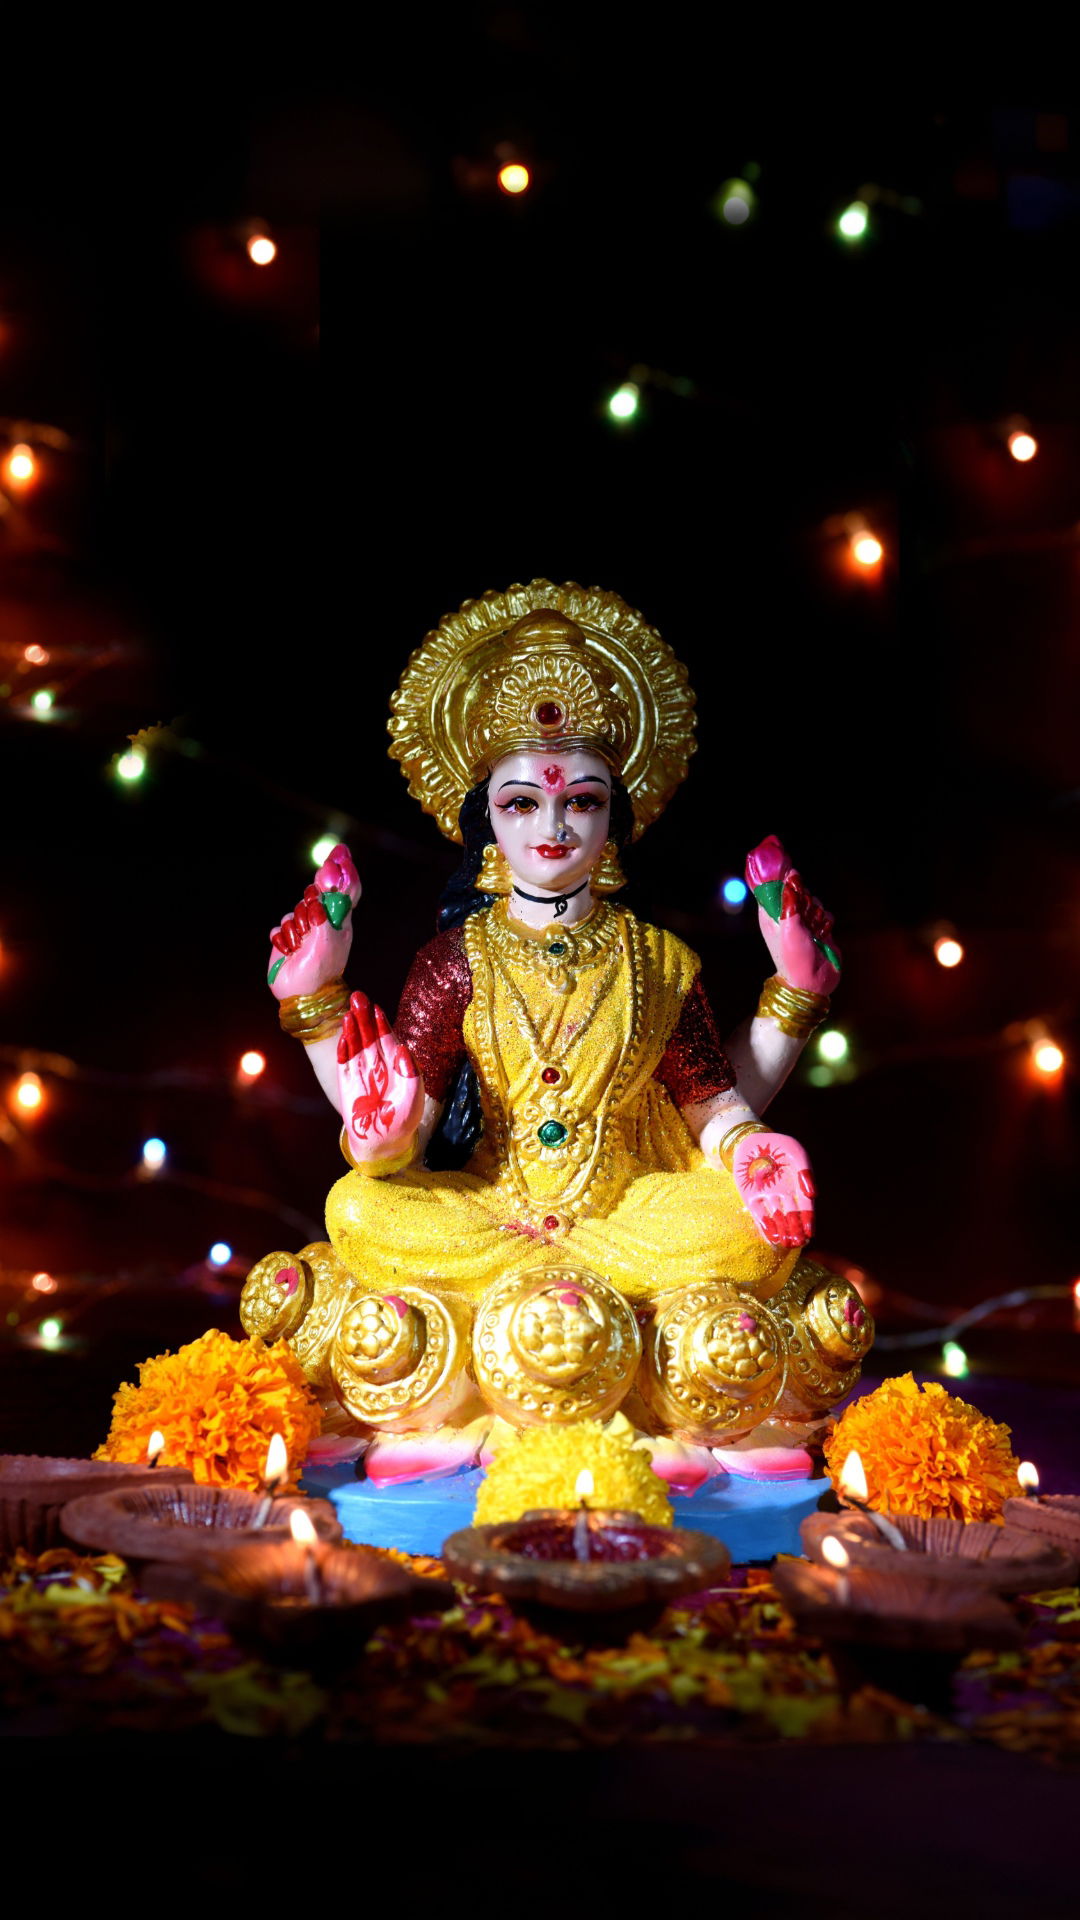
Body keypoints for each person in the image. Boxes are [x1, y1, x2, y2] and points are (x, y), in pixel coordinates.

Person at [250, 584, 870, 1479]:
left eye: (580, 802)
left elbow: (714, 1107)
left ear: (614, 818)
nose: (551, 827)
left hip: (628, 1213)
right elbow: (400, 1135)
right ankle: (638, 1373)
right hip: (489, 1209)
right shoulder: (453, 960)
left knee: (754, 1227)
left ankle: (470, 1378)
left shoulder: (659, 960)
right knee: (357, 1207)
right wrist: (335, 1049)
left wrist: (759, 1130)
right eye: (520, 805)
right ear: (486, 819)